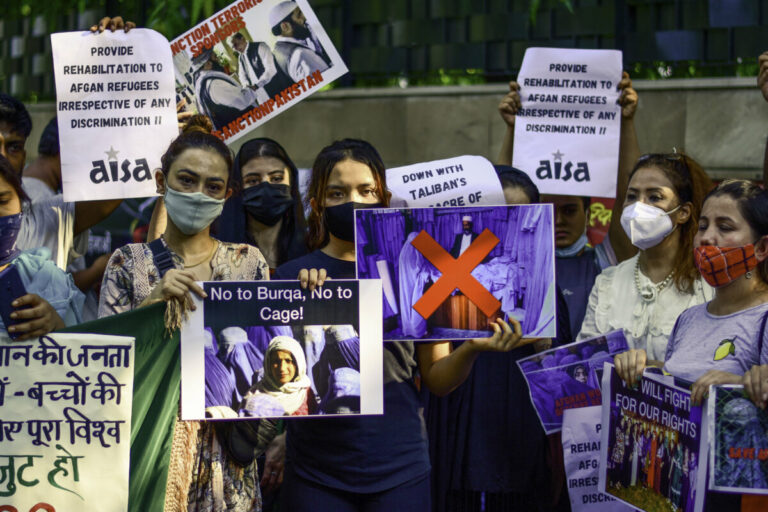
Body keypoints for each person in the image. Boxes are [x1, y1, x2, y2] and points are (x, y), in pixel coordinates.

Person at [274, 138, 523, 511]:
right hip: (315, 474)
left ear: (383, 198)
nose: (353, 201)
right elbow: (278, 382)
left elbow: (436, 378)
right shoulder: (291, 277)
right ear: (317, 204)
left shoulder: (414, 272)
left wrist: (471, 349)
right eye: (337, 193)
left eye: (366, 190)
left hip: (400, 470)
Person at [98, 115, 270, 511]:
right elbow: (103, 368)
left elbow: (267, 351)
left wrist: (314, 291)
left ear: (227, 194)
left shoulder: (248, 264)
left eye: (213, 186)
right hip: (151, 455)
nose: (198, 194)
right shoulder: (128, 264)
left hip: (228, 463)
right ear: (161, 183)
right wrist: (153, 303)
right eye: (186, 180)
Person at [616, 179, 768, 511]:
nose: (708, 237)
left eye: (725, 227)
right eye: (703, 226)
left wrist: (740, 385)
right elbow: (679, 387)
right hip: (671, 491)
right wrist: (647, 369)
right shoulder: (689, 319)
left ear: (761, 248)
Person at [496, 73, 641, 334]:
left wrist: (626, 123)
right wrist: (513, 128)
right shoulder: (514, 259)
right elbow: (501, 198)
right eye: (549, 210)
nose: (559, 220)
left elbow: (629, 196)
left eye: (570, 210)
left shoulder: (607, 259)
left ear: (588, 212)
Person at [578, 152, 714, 362]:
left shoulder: (709, 284)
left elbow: (719, 365)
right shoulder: (607, 282)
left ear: (683, 212)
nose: (638, 207)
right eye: (631, 196)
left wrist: (656, 370)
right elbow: (585, 362)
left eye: (655, 197)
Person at [0, 155, 83, 340]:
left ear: (21, 204)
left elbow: (81, 358)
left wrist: (56, 325)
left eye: (3, 201)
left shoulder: (48, 277)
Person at [215, 137, 307, 269]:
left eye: (276, 178)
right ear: (237, 188)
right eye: (252, 181)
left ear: (291, 183)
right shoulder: (215, 251)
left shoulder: (312, 247)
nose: (266, 187)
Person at [241, 336, 315, 417]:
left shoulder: (305, 393)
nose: (282, 368)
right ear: (268, 365)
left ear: (298, 364)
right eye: (276, 361)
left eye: (288, 361)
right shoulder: (254, 396)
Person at [193, 49, 258, 131]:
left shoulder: (204, 83)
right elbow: (242, 101)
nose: (218, 59)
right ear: (208, 63)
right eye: (215, 57)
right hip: (244, 126)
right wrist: (251, 89)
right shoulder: (215, 84)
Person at [269, 1, 330, 82]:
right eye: (299, 15)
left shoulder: (279, 50)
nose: (304, 17)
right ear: (285, 27)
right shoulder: (301, 54)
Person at [231, 32, 292, 102]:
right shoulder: (241, 58)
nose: (235, 49)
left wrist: (257, 85)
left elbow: (271, 69)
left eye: (236, 44)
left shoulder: (260, 46)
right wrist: (246, 86)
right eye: (233, 47)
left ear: (242, 39)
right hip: (261, 95)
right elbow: (242, 75)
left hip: (275, 88)